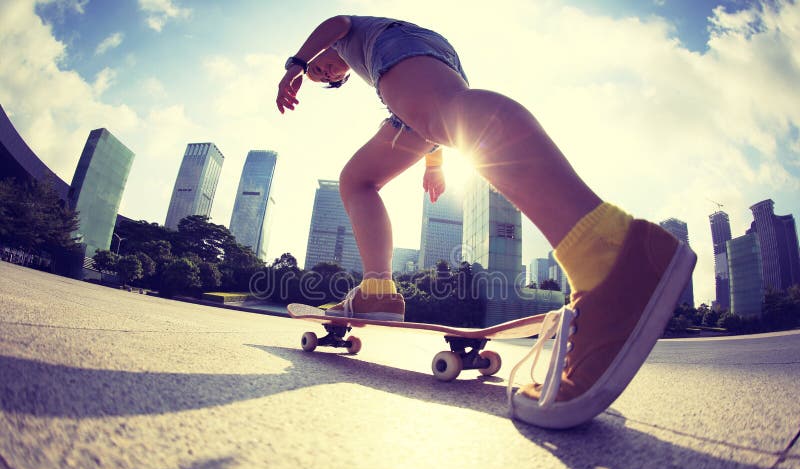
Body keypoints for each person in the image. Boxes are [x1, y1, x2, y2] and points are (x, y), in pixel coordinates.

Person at [276, 15, 696, 429]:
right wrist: (435, 160)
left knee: (441, 111)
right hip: (415, 79)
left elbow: (337, 21)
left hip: (403, 48)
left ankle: (607, 251)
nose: (325, 71)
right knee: (359, 179)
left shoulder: (350, 39)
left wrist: (296, 63)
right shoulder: (378, 69)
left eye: (321, 68)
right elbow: (426, 113)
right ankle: (378, 290)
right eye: (323, 76)